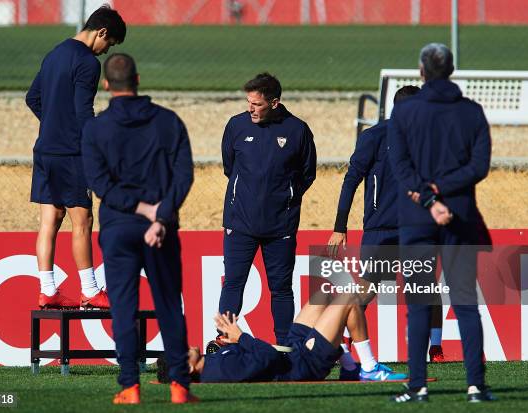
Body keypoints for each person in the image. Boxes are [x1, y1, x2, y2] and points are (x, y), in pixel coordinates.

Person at [81, 53, 198, 405]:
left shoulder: (96, 128)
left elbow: (100, 183)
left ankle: (130, 386)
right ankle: (179, 384)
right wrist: (160, 216)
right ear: (138, 79)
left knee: (124, 309)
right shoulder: (168, 122)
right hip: (160, 228)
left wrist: (141, 209)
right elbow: (184, 175)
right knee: (168, 305)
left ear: (106, 85)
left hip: (118, 227)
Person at [387, 43, 495, 403]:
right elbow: (478, 167)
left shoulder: (404, 113)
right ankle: (476, 385)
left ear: (421, 71)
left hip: (417, 218)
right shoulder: (471, 112)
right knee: (465, 302)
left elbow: (401, 168)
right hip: (460, 216)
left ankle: (417, 385)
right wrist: (443, 192)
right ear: (450, 70)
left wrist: (429, 197)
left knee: (418, 304)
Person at [327, 86, 445, 380]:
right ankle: (343, 347)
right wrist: (340, 226)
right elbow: (351, 180)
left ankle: (436, 348)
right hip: (381, 229)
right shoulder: (374, 137)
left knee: (425, 287)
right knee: (368, 288)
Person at [25, 5, 126, 309]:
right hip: (71, 153)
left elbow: (33, 98)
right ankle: (91, 290)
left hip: (44, 149)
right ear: (102, 32)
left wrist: (54, 121)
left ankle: (47, 290)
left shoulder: (54, 53)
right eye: (109, 44)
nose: (105, 51)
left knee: (49, 220)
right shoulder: (87, 62)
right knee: (82, 221)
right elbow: (84, 113)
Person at [218, 73, 317, 345]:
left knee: (281, 289)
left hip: (280, 226)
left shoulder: (297, 130)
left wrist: (285, 197)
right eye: (248, 102)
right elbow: (230, 167)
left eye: (257, 104)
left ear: (274, 103)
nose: (250, 108)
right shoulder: (237, 125)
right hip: (240, 223)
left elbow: (307, 175)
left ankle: (285, 346)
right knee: (234, 283)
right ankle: (225, 339)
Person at [159, 290, 403, 384]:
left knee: (323, 296)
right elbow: (267, 359)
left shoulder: (212, 361)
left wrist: (234, 342)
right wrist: (241, 337)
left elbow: (257, 357)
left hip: (291, 352)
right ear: (188, 367)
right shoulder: (220, 372)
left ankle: (349, 368)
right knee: (347, 301)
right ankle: (369, 368)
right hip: (302, 364)